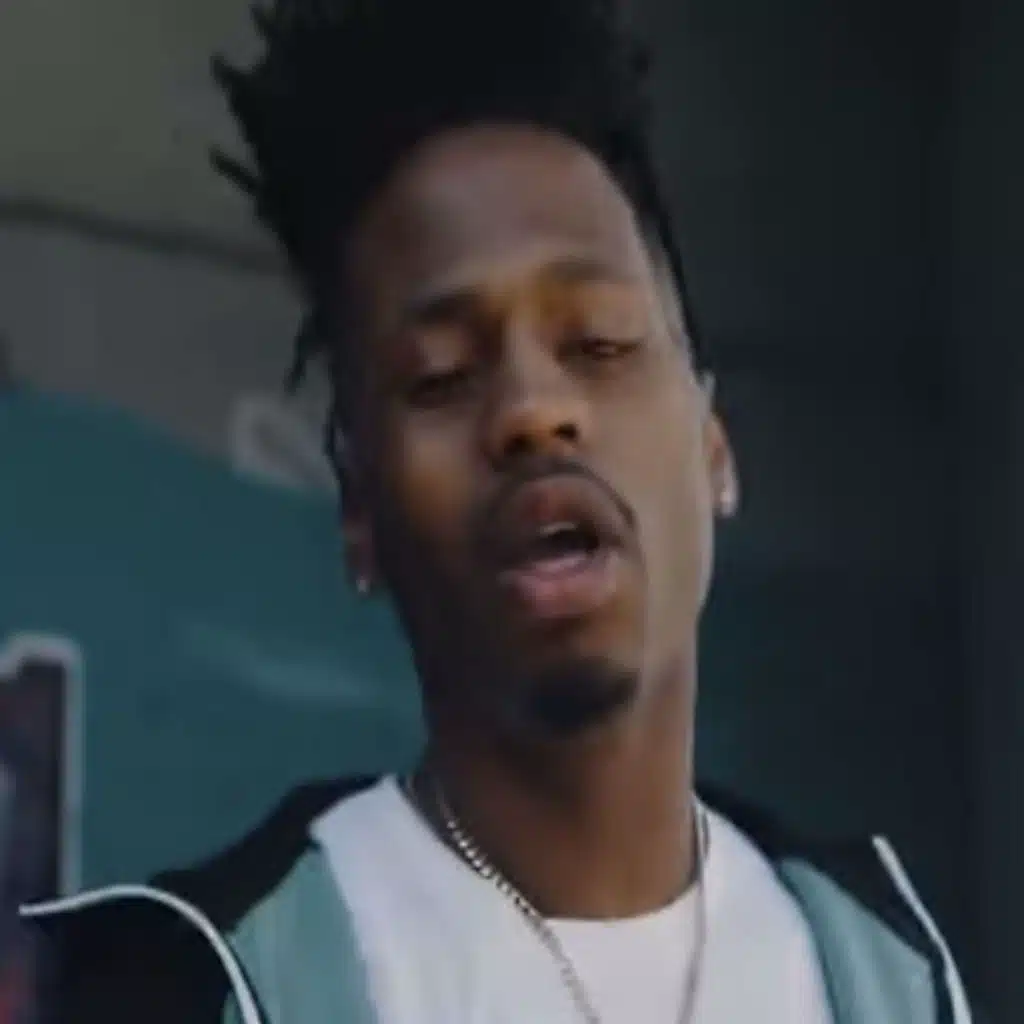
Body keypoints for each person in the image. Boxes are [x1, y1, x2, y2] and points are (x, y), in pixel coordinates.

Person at [26, 0, 978, 1021]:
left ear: (713, 449)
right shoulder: (190, 979)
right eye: (440, 376)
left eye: (599, 341)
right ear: (360, 515)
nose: (532, 410)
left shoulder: (883, 970)